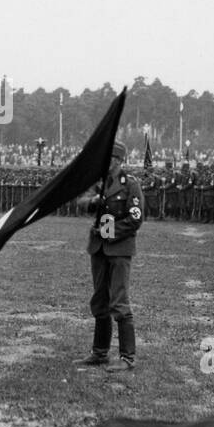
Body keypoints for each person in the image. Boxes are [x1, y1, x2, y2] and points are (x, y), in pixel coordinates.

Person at [77, 142, 145, 372]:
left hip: (119, 250)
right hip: (98, 250)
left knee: (119, 301)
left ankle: (127, 357)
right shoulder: (98, 183)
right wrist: (93, 201)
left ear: (118, 160)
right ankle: (100, 352)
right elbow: (81, 202)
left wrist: (108, 232)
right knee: (100, 300)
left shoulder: (130, 185)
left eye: (111, 159)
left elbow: (135, 219)